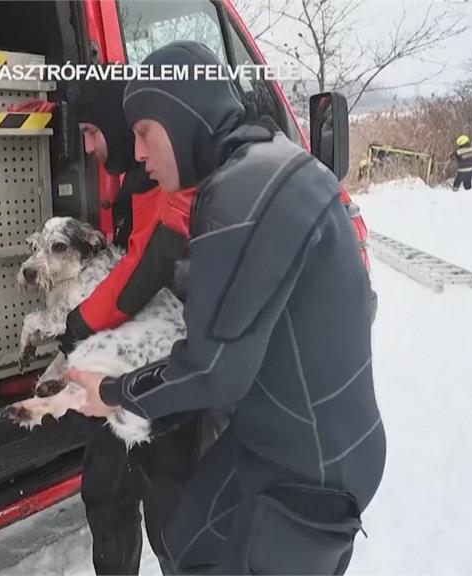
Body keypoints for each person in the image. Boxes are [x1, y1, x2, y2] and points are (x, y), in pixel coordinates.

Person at [69, 42, 385, 575]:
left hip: (310, 476)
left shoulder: (238, 195)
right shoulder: (268, 160)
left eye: (145, 131)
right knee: (189, 541)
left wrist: (110, 393)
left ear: (182, 114)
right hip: (281, 440)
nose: (138, 152)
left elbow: (212, 371)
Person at [65, 74, 209, 575]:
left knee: (170, 510)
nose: (87, 146)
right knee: (105, 494)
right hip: (120, 366)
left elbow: (147, 266)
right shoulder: (129, 179)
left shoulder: (172, 178)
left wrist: (80, 322)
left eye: (91, 131)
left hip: (168, 370)